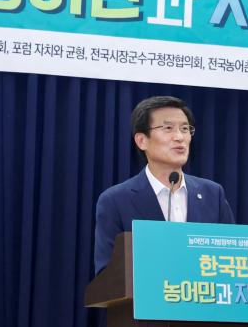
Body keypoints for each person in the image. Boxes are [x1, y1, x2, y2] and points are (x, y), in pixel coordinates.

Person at [93, 96, 235, 274]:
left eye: (185, 129)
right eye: (168, 128)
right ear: (142, 141)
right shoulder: (115, 200)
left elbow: (232, 258)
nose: (180, 137)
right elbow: (107, 274)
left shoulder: (213, 194)